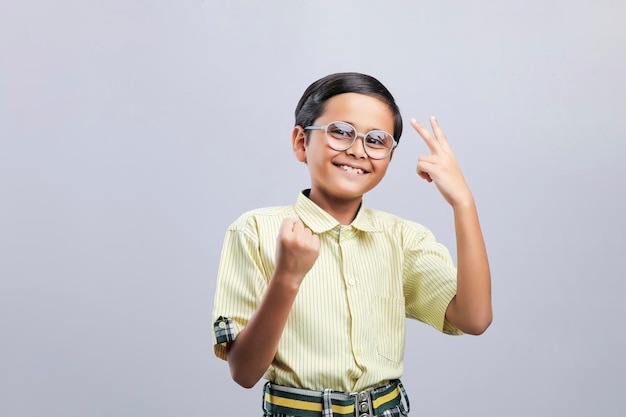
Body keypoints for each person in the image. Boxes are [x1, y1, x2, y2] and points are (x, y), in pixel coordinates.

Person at [212, 72, 492, 416]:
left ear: (389, 156)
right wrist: (287, 278)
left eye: (376, 140)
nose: (358, 150)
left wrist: (463, 202)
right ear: (301, 142)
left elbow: (474, 319)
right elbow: (243, 372)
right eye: (341, 132)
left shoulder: (403, 239)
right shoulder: (254, 231)